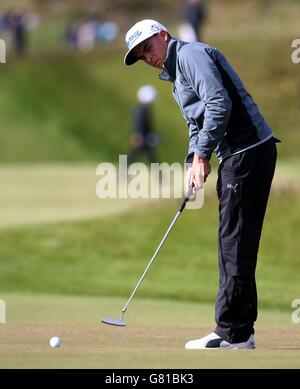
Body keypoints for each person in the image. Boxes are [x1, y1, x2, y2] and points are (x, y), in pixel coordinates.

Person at [124, 19, 279, 349]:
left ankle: (232, 332)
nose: (146, 57)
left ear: (163, 35)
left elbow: (218, 103)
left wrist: (202, 155)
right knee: (235, 242)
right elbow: (198, 122)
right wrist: (194, 160)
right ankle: (241, 330)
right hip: (239, 154)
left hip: (247, 151)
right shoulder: (176, 75)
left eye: (147, 48)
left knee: (233, 242)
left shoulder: (190, 56)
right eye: (139, 55)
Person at [128, 85, 159, 165]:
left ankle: (160, 175)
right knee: (150, 158)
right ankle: (123, 172)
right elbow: (140, 123)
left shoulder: (143, 109)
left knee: (150, 157)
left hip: (145, 137)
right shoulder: (142, 110)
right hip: (142, 138)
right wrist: (139, 135)